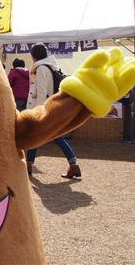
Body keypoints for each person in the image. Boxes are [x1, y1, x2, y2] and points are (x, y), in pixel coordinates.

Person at [26, 43, 81, 178]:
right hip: (51, 107)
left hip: (44, 109)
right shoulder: (50, 67)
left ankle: (28, 165)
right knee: (51, 136)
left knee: (38, 136)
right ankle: (73, 165)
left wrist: (37, 113)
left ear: (34, 56)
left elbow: (41, 93)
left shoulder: (40, 69)